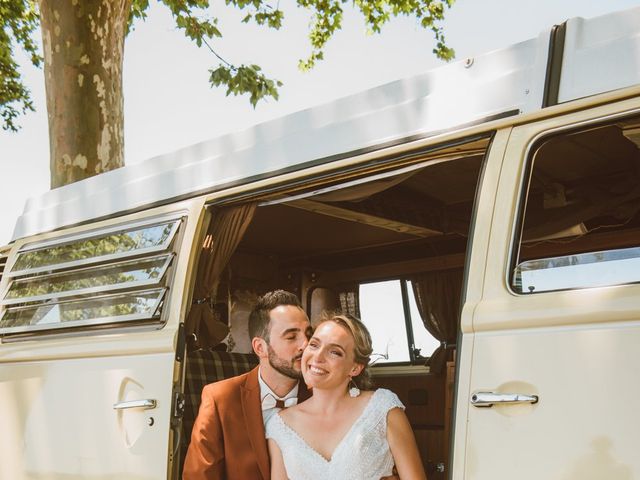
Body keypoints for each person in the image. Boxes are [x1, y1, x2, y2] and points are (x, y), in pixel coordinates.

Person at [266, 313, 427, 480]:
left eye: (335, 352)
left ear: (355, 368)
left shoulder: (383, 408)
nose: (318, 357)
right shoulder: (280, 426)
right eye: (314, 345)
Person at [183, 290, 313, 480]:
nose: (306, 345)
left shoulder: (322, 397)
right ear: (260, 347)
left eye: (309, 335)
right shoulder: (220, 399)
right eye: (291, 337)